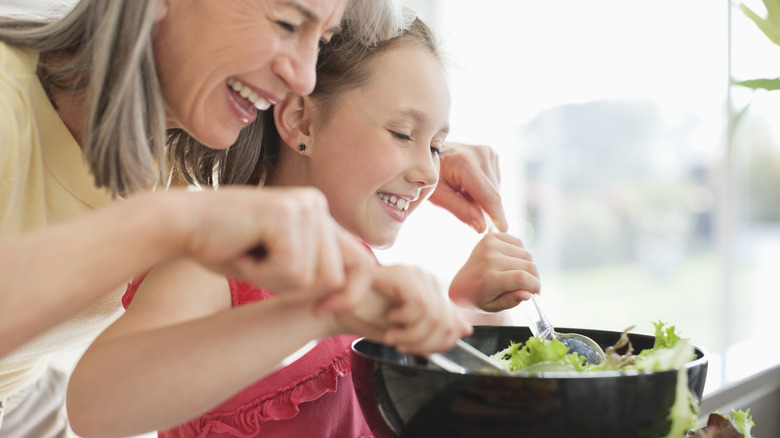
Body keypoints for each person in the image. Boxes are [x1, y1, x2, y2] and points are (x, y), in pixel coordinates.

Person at [0, 0, 501, 436]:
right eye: (287, 23)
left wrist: (417, 153)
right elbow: (97, 403)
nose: (301, 77)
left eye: (319, 38)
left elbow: (315, 117)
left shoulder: (173, 131)